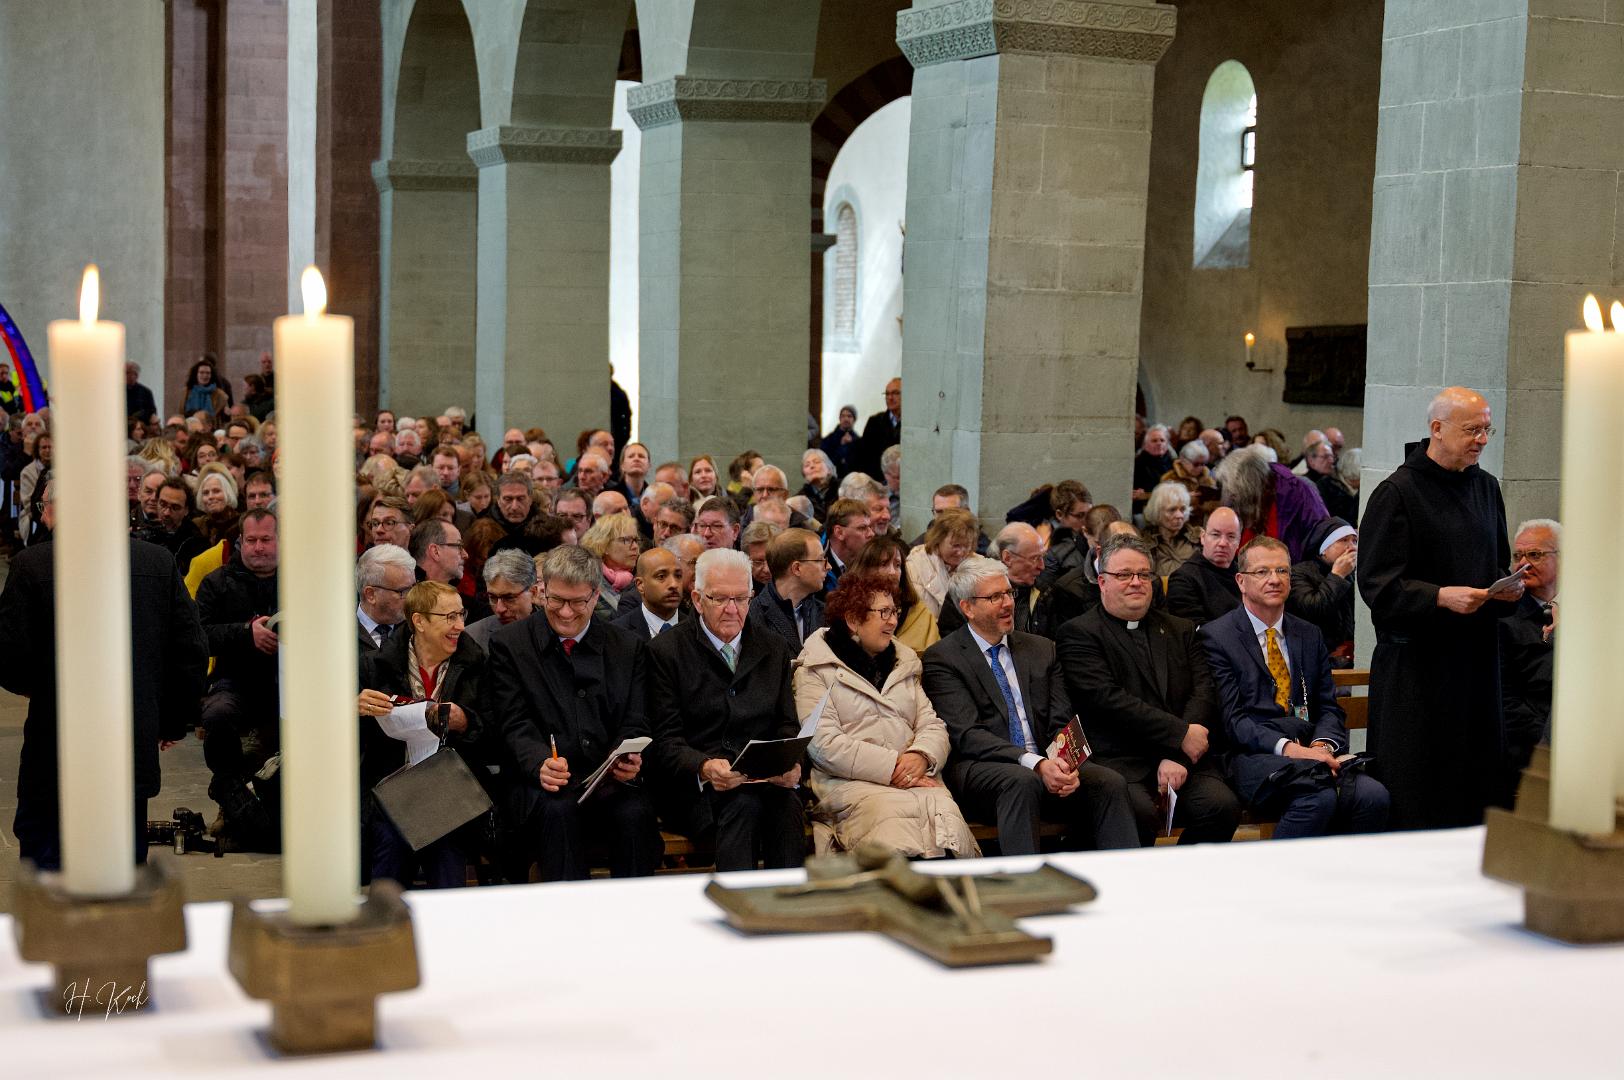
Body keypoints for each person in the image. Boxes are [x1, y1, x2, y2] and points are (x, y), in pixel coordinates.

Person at [1358, 386, 1523, 830]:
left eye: (1487, 430)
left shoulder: (1486, 488)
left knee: (1476, 785)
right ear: (1437, 429)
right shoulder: (1397, 492)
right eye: (1472, 430)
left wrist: (1507, 590)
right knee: (1420, 789)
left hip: (1475, 665)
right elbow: (1377, 585)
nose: (1482, 440)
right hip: (1417, 672)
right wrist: (1438, 596)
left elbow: (1497, 563)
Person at [922, 557, 1140, 853]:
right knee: (1022, 781)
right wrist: (1036, 764)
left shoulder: (1041, 649)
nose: (1008, 604)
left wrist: (1063, 761)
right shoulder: (944, 658)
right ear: (968, 608)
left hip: (1046, 760)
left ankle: (1117, 884)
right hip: (983, 768)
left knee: (1108, 782)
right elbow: (968, 735)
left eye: (1009, 593)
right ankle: (1026, 888)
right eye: (994, 597)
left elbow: (1060, 717)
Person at [483, 546, 658, 881]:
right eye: (556, 600)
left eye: (578, 602)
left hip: (608, 781)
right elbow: (512, 722)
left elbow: (636, 717)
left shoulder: (626, 646)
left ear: (596, 596)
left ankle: (638, 918)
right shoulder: (510, 645)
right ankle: (568, 922)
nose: (565, 612)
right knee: (558, 812)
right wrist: (539, 763)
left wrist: (628, 754)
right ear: (540, 591)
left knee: (635, 814)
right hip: (540, 785)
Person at [1056, 535, 1240, 847]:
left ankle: (1183, 882)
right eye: (1124, 575)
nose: (1136, 582)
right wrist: (1180, 735)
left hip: (1183, 758)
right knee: (1137, 812)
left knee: (1220, 806)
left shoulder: (1180, 629)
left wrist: (1177, 753)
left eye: (1144, 574)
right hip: (1120, 760)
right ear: (1102, 581)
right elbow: (1108, 701)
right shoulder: (1079, 634)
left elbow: (1204, 690)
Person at [1201, 538, 1389, 839]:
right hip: (1252, 755)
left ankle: (1345, 881)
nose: (1274, 579)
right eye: (1262, 572)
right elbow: (1234, 721)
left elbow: (1328, 706)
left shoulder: (1308, 634)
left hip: (1311, 752)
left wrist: (1321, 746)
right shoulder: (1218, 637)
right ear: (1241, 581)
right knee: (1317, 797)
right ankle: (1279, 883)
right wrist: (1292, 750)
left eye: (1282, 571)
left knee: (1373, 796)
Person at [796, 573, 980, 857]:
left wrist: (921, 756)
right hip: (850, 784)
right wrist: (893, 767)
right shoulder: (816, 668)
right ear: (853, 619)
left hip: (918, 778)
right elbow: (824, 744)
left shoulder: (903, 663)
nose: (893, 621)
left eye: (895, 611)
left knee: (943, 810)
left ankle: (947, 896)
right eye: (884, 612)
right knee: (890, 815)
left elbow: (932, 723)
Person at [648, 549, 805, 870]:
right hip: (696, 789)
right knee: (742, 807)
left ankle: (788, 910)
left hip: (764, 781)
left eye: (741, 599)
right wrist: (705, 767)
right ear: (696, 598)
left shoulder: (772, 646)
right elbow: (666, 740)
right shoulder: (666, 651)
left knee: (787, 808)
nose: (732, 609)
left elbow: (787, 724)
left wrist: (792, 763)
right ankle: (737, 907)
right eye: (720, 599)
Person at [354, 579, 491, 888]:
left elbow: (492, 732)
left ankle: (446, 926)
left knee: (443, 839)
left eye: (461, 615)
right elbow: (343, 735)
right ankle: (386, 926)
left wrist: (465, 722)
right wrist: (355, 708)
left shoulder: (475, 663)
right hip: (391, 785)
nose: (459, 626)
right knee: (391, 838)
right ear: (419, 621)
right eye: (449, 617)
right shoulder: (376, 665)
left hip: (452, 787)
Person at [195, 508, 282, 847]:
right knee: (217, 715)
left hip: (288, 683)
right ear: (239, 543)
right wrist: (246, 633)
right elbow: (198, 635)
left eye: (266, 540)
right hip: (234, 679)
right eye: (252, 541)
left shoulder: (300, 580)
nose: (259, 548)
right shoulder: (216, 583)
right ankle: (229, 794)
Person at [1498, 518, 1559, 799]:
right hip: (1533, 748)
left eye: (1535, 554)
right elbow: (1507, 702)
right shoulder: (1504, 619)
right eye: (1518, 556)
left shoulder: (1589, 610)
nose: (1523, 563)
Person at [1213, 444, 1329, 562]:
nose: (1232, 494)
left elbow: (1321, 539)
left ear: (1248, 483)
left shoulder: (1297, 492)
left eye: (1235, 489)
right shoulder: (1242, 500)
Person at [939, 522, 1046, 637]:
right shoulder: (966, 589)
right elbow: (952, 642)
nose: (1042, 566)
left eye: (1043, 557)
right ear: (1008, 558)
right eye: (1035, 558)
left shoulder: (1045, 592)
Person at [747, 527, 826, 653]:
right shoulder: (753, 616)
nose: (828, 566)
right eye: (820, 560)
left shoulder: (826, 613)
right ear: (797, 568)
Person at [1288, 517, 1357, 659]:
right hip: (1310, 655)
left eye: (1354, 541)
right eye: (1343, 540)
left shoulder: (1351, 575)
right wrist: (1337, 575)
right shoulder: (1298, 573)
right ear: (1324, 548)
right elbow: (1312, 609)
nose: (1352, 547)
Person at [1165, 507, 1243, 627]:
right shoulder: (1183, 579)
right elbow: (1194, 633)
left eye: (1231, 536)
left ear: (1238, 542)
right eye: (1215, 535)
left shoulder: (1246, 575)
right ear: (1203, 537)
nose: (1222, 543)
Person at [905, 506, 978, 619]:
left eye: (967, 545)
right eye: (956, 545)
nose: (961, 552)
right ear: (938, 539)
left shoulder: (980, 564)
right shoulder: (915, 564)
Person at [463, 548, 539, 652]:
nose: (499, 609)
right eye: (492, 598)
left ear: (533, 593)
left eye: (509, 598)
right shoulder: (472, 637)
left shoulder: (558, 630)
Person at [613, 546, 685, 641]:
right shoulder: (617, 633)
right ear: (640, 585)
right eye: (661, 576)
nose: (674, 584)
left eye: (678, 576)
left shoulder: (697, 629)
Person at [580, 512, 641, 621]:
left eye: (636, 540)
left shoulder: (642, 576)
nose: (635, 547)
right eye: (626, 540)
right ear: (604, 545)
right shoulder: (587, 581)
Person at [356, 543, 415, 652]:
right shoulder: (338, 635)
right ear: (371, 595)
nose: (412, 597)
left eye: (413, 588)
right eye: (403, 591)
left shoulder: (417, 631)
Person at [1037, 480, 1095, 588]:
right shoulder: (1047, 545)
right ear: (1059, 514)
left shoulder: (1094, 538)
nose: (1087, 521)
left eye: (1090, 514)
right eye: (1080, 515)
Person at [1140, 482, 1200, 578]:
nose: (1180, 515)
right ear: (1157, 511)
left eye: (1183, 509)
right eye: (1172, 510)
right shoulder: (1143, 543)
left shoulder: (1198, 538)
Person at [856, 377, 901, 480]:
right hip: (878, 481)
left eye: (895, 393)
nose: (890, 397)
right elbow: (864, 456)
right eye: (887, 394)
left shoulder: (912, 424)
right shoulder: (874, 422)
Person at [824, 497, 874, 588]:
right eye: (862, 528)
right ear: (839, 532)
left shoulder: (873, 560)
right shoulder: (816, 566)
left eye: (870, 527)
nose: (871, 534)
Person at [1305, 439, 1358, 523]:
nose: (1331, 461)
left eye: (1331, 456)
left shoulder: (1335, 482)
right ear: (1311, 461)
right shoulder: (1305, 484)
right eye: (1325, 456)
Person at [1131, 424, 1174, 515]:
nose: (1159, 443)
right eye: (1154, 441)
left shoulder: (1175, 464)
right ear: (1145, 444)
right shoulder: (1137, 464)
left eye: (1162, 440)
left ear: (1167, 444)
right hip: (1145, 510)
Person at [798, 448, 840, 524]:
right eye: (807, 465)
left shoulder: (843, 488)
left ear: (829, 468)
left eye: (816, 462)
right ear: (804, 475)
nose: (812, 466)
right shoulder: (800, 499)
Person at [821, 404, 861, 476]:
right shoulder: (829, 440)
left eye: (849, 416)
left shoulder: (858, 441)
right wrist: (842, 446)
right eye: (843, 416)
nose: (846, 419)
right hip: (833, 480)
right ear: (840, 419)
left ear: (854, 419)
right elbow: (825, 462)